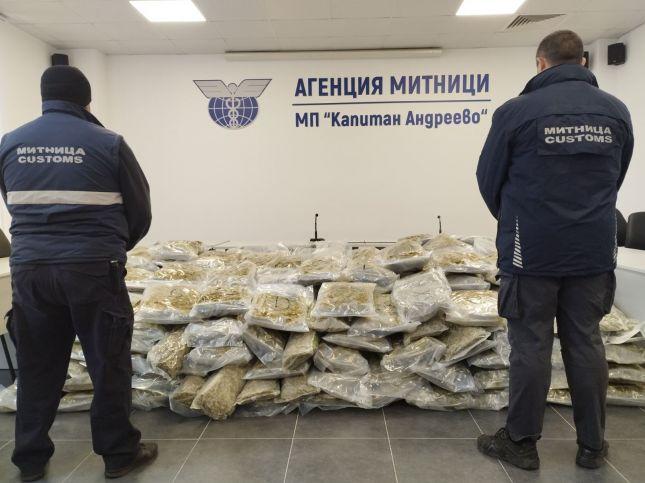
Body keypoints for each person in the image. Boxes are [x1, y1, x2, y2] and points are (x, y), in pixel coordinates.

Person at [475, 30, 633, 471]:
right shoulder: (615, 111)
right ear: (583, 62)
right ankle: (592, 446)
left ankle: (521, 443)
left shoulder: (517, 111)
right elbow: (616, 177)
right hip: (593, 249)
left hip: (531, 250)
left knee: (530, 344)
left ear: (540, 63)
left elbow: (489, 179)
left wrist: (517, 219)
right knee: (586, 341)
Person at [0, 65, 156, 481]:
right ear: (86, 100)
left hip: (30, 272)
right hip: (93, 269)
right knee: (108, 364)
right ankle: (119, 454)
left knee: (36, 366)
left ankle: (30, 459)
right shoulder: (108, 142)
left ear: (44, 98)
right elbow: (140, 211)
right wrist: (111, 247)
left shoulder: (10, 143)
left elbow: (13, 203)